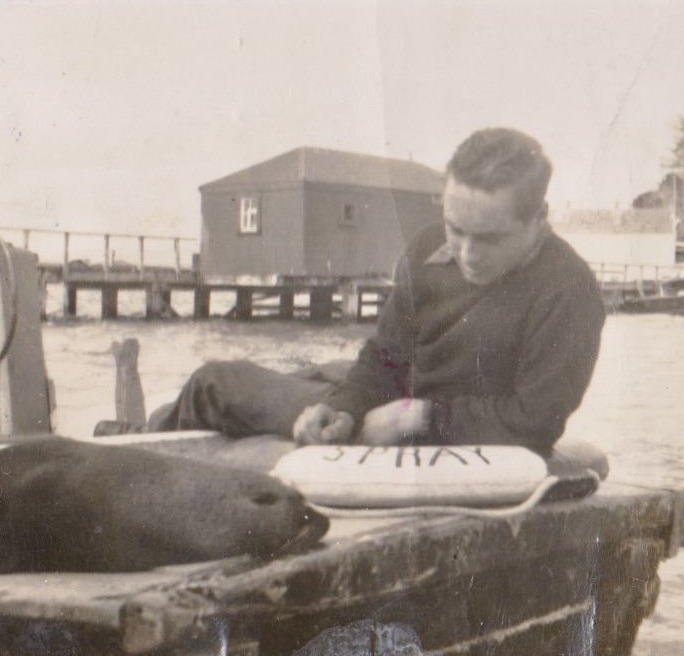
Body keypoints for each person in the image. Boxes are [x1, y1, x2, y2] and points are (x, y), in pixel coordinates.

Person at [132, 128, 607, 456]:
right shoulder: (427, 246)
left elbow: (535, 422)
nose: (465, 252)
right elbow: (385, 356)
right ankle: (130, 438)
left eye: (489, 238)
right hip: (387, 404)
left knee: (217, 383)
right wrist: (343, 409)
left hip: (421, 423)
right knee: (226, 381)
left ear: (539, 218)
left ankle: (133, 432)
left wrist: (418, 418)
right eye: (456, 228)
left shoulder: (568, 290)